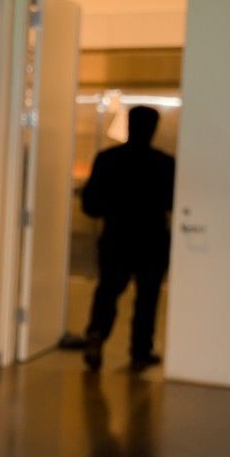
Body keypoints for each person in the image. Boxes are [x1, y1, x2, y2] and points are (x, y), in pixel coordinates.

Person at [80, 105, 175, 371]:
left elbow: (90, 204)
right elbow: (172, 202)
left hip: (116, 238)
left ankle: (97, 334)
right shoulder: (164, 164)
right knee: (147, 298)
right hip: (152, 241)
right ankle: (140, 351)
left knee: (107, 292)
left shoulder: (107, 159)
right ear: (153, 129)